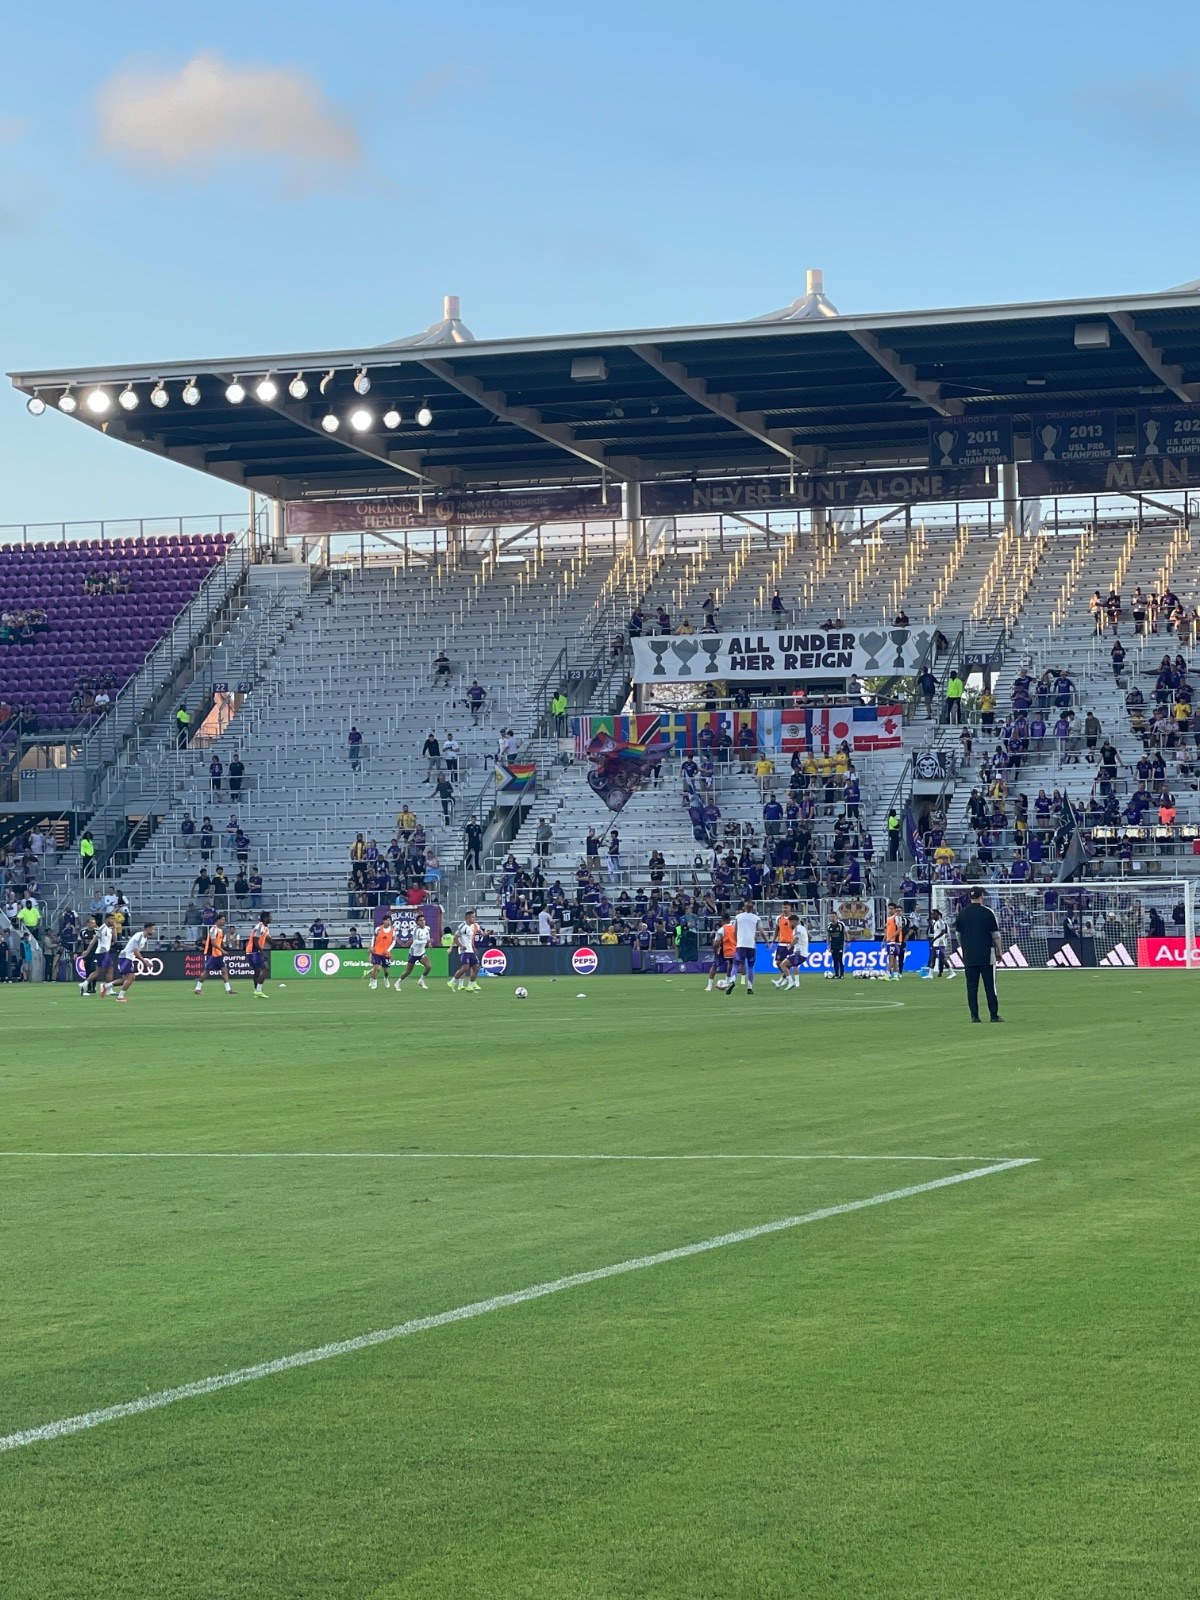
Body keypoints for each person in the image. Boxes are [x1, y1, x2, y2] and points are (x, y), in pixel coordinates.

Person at [954, 887, 1004, 1023]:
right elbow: (995, 934)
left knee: (971, 987)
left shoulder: (962, 913)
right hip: (986, 954)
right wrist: (1000, 951)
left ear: (970, 898)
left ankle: (974, 1016)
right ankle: (993, 1015)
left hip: (969, 955)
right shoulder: (988, 912)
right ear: (981, 896)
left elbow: (958, 934)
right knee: (990, 986)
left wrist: (964, 948)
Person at [725, 900, 764, 997]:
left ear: (744, 908)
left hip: (741, 944)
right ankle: (749, 987)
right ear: (753, 908)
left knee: (735, 964)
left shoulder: (738, 917)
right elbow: (761, 931)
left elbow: (734, 930)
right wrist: (767, 941)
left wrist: (737, 939)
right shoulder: (756, 918)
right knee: (750, 967)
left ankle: (732, 981)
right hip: (751, 945)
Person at [112, 922, 157, 1002]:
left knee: (124, 980)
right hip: (126, 957)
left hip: (128, 958)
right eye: (153, 929)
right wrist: (145, 962)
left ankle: (106, 986)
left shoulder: (144, 938)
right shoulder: (139, 936)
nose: (154, 931)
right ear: (147, 928)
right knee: (131, 977)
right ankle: (120, 997)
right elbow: (136, 952)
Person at [195, 913, 234, 996]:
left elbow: (218, 942)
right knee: (207, 972)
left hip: (218, 954)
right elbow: (213, 942)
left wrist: (223, 945)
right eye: (222, 920)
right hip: (212, 954)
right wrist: (222, 950)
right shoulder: (213, 929)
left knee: (224, 970)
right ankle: (197, 988)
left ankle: (228, 989)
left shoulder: (220, 930)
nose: (224, 921)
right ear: (218, 920)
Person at [397, 912, 433, 989]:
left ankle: (421, 980)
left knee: (429, 966)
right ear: (417, 922)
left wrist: (429, 943)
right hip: (414, 952)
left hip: (421, 952)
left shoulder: (427, 929)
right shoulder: (416, 930)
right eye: (420, 920)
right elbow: (416, 941)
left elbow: (428, 936)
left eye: (423, 920)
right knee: (409, 971)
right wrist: (427, 942)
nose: (423, 921)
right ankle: (398, 982)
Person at [449, 910, 481, 991]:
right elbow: (455, 937)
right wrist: (461, 946)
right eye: (473, 917)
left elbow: (470, 939)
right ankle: (453, 981)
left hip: (470, 950)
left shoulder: (472, 927)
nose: (474, 919)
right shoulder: (463, 926)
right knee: (465, 967)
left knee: (476, 967)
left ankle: (470, 986)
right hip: (464, 951)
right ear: (468, 918)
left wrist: (473, 946)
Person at [245, 913, 271, 998]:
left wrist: (280, 945)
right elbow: (255, 941)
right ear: (265, 918)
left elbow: (268, 939)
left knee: (257, 972)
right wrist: (262, 952)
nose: (271, 918)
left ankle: (256, 991)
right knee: (265, 968)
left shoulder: (266, 928)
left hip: (253, 951)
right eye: (270, 916)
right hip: (254, 951)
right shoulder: (259, 926)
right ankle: (258, 991)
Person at [368, 919, 396, 991]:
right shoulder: (378, 929)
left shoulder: (393, 931)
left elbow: (394, 942)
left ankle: (386, 978)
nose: (388, 922)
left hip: (386, 953)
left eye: (389, 921)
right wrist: (371, 946)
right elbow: (373, 937)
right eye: (387, 920)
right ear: (384, 921)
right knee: (376, 967)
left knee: (386, 971)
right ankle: (374, 982)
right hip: (377, 951)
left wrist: (388, 950)